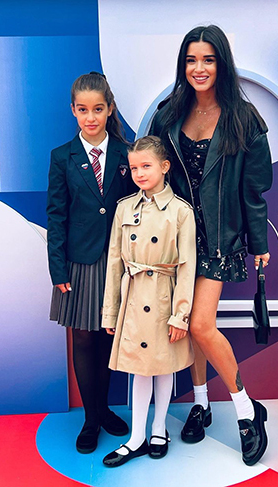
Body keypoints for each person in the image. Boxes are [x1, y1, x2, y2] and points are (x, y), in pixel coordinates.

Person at [149, 25, 273, 466]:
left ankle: (246, 411)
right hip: (177, 239)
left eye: (208, 59)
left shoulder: (244, 118)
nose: (198, 68)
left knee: (201, 324)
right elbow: (153, 172)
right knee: (187, 323)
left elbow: (254, 189)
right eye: (191, 60)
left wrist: (258, 242)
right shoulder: (168, 114)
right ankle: (200, 403)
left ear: (222, 63)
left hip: (220, 240)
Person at [47, 72, 137, 454]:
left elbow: (136, 207)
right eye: (83, 110)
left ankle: (103, 410)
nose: (90, 117)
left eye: (98, 109)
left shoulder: (125, 154)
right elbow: (56, 215)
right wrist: (57, 268)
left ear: (109, 109)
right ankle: (90, 418)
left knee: (107, 336)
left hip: (117, 261)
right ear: (73, 110)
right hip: (79, 262)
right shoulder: (62, 157)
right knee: (83, 337)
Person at [101, 136, 196, 467]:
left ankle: (158, 429)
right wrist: (110, 312)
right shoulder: (125, 207)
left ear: (164, 167)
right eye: (133, 168)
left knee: (163, 364)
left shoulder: (181, 211)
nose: (139, 173)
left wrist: (180, 316)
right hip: (133, 297)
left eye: (146, 166)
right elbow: (115, 261)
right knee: (139, 368)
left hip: (163, 298)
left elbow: (187, 267)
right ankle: (136, 437)